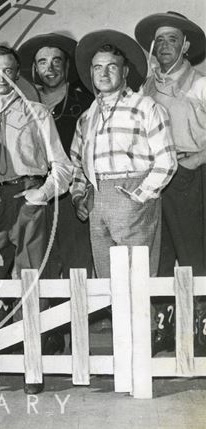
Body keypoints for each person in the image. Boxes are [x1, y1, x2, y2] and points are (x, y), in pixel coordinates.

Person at [0, 46, 73, 393]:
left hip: (29, 198)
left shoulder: (37, 112)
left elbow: (63, 166)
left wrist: (40, 195)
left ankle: (33, 366)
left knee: (31, 280)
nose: (1, 78)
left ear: (18, 74)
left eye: (9, 71)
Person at [70, 30, 177, 280]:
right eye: (97, 67)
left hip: (133, 191)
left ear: (125, 71)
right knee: (107, 280)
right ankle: (113, 321)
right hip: (98, 196)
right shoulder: (87, 116)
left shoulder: (146, 107)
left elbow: (166, 162)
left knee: (137, 279)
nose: (104, 73)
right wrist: (78, 197)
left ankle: (143, 320)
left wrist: (139, 197)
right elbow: (77, 163)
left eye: (111, 67)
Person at [135, 11, 206, 355]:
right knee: (158, 254)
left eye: (172, 39)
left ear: (186, 45)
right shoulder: (145, 87)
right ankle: (163, 326)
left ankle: (201, 328)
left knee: (195, 254)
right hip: (154, 179)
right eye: (159, 40)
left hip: (189, 174)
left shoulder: (200, 83)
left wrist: (196, 160)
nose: (164, 46)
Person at [17, 33, 94, 279]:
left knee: (77, 262)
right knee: (43, 264)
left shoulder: (85, 101)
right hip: (39, 193)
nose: (49, 68)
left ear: (67, 66)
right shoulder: (26, 105)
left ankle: (82, 318)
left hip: (74, 192)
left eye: (56, 61)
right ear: (34, 68)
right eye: (42, 62)